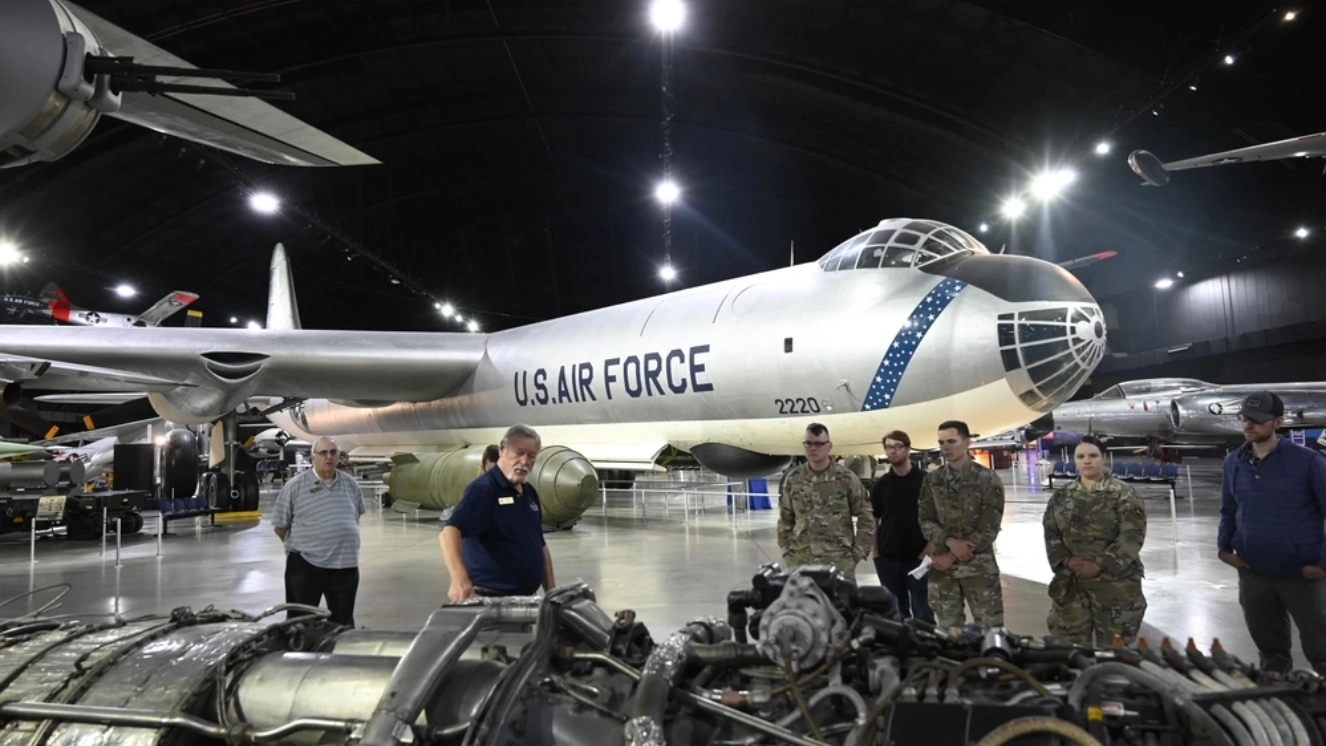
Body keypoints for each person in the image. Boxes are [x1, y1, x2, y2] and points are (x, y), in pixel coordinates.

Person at [1218, 391, 1326, 675]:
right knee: (1270, 652)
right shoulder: (1233, 462)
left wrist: (1323, 565)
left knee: (1322, 648)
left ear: (1278, 422)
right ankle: (1278, 701)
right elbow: (1229, 510)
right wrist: (1224, 549)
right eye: (1244, 418)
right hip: (1254, 572)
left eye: (1257, 420)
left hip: (1302, 574)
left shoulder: (1307, 462)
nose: (1248, 425)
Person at [1042, 436, 1147, 645]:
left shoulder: (1123, 493)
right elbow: (1051, 532)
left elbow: (1132, 536)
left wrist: (1100, 564)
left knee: (1115, 650)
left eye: (1093, 456)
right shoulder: (1062, 496)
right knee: (1070, 649)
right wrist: (1067, 561)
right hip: (1073, 584)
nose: (1087, 461)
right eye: (1080, 456)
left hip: (1115, 585)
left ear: (1103, 458)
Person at [440, 425, 557, 600]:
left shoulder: (529, 493)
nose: (524, 461)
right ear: (502, 449)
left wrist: (552, 592)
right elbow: (449, 533)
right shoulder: (484, 489)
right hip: (491, 600)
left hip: (525, 599)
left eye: (531, 456)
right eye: (518, 453)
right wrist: (459, 580)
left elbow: (539, 544)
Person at [918, 420, 1005, 628]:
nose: (945, 447)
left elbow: (989, 527)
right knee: (948, 634)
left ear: (967, 442)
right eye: (941, 442)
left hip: (978, 569)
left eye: (951, 441)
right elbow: (925, 520)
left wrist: (952, 555)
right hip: (943, 574)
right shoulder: (933, 480)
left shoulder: (987, 479)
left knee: (990, 632)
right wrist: (947, 541)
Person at [271, 436, 366, 626]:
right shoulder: (295, 486)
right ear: (313, 457)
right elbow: (280, 526)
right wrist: (305, 547)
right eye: (323, 453)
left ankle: (338, 655)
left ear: (339, 457)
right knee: (300, 623)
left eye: (333, 452)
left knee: (343, 623)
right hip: (306, 565)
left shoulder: (350, 484)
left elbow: (355, 516)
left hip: (344, 566)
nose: (328, 457)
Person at [776, 423, 874, 581]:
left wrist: (857, 553)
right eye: (808, 444)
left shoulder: (846, 479)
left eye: (818, 444)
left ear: (829, 446)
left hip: (839, 564)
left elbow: (866, 517)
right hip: (800, 562)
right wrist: (787, 551)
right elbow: (785, 518)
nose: (812, 448)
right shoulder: (793, 479)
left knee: (839, 606)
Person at [870, 430, 934, 622]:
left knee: (923, 611)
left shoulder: (926, 482)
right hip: (888, 560)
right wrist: (876, 554)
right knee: (895, 614)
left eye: (897, 447)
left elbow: (939, 518)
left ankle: (926, 648)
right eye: (889, 447)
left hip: (919, 559)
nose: (893, 451)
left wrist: (929, 550)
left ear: (907, 448)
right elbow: (874, 520)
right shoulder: (880, 485)